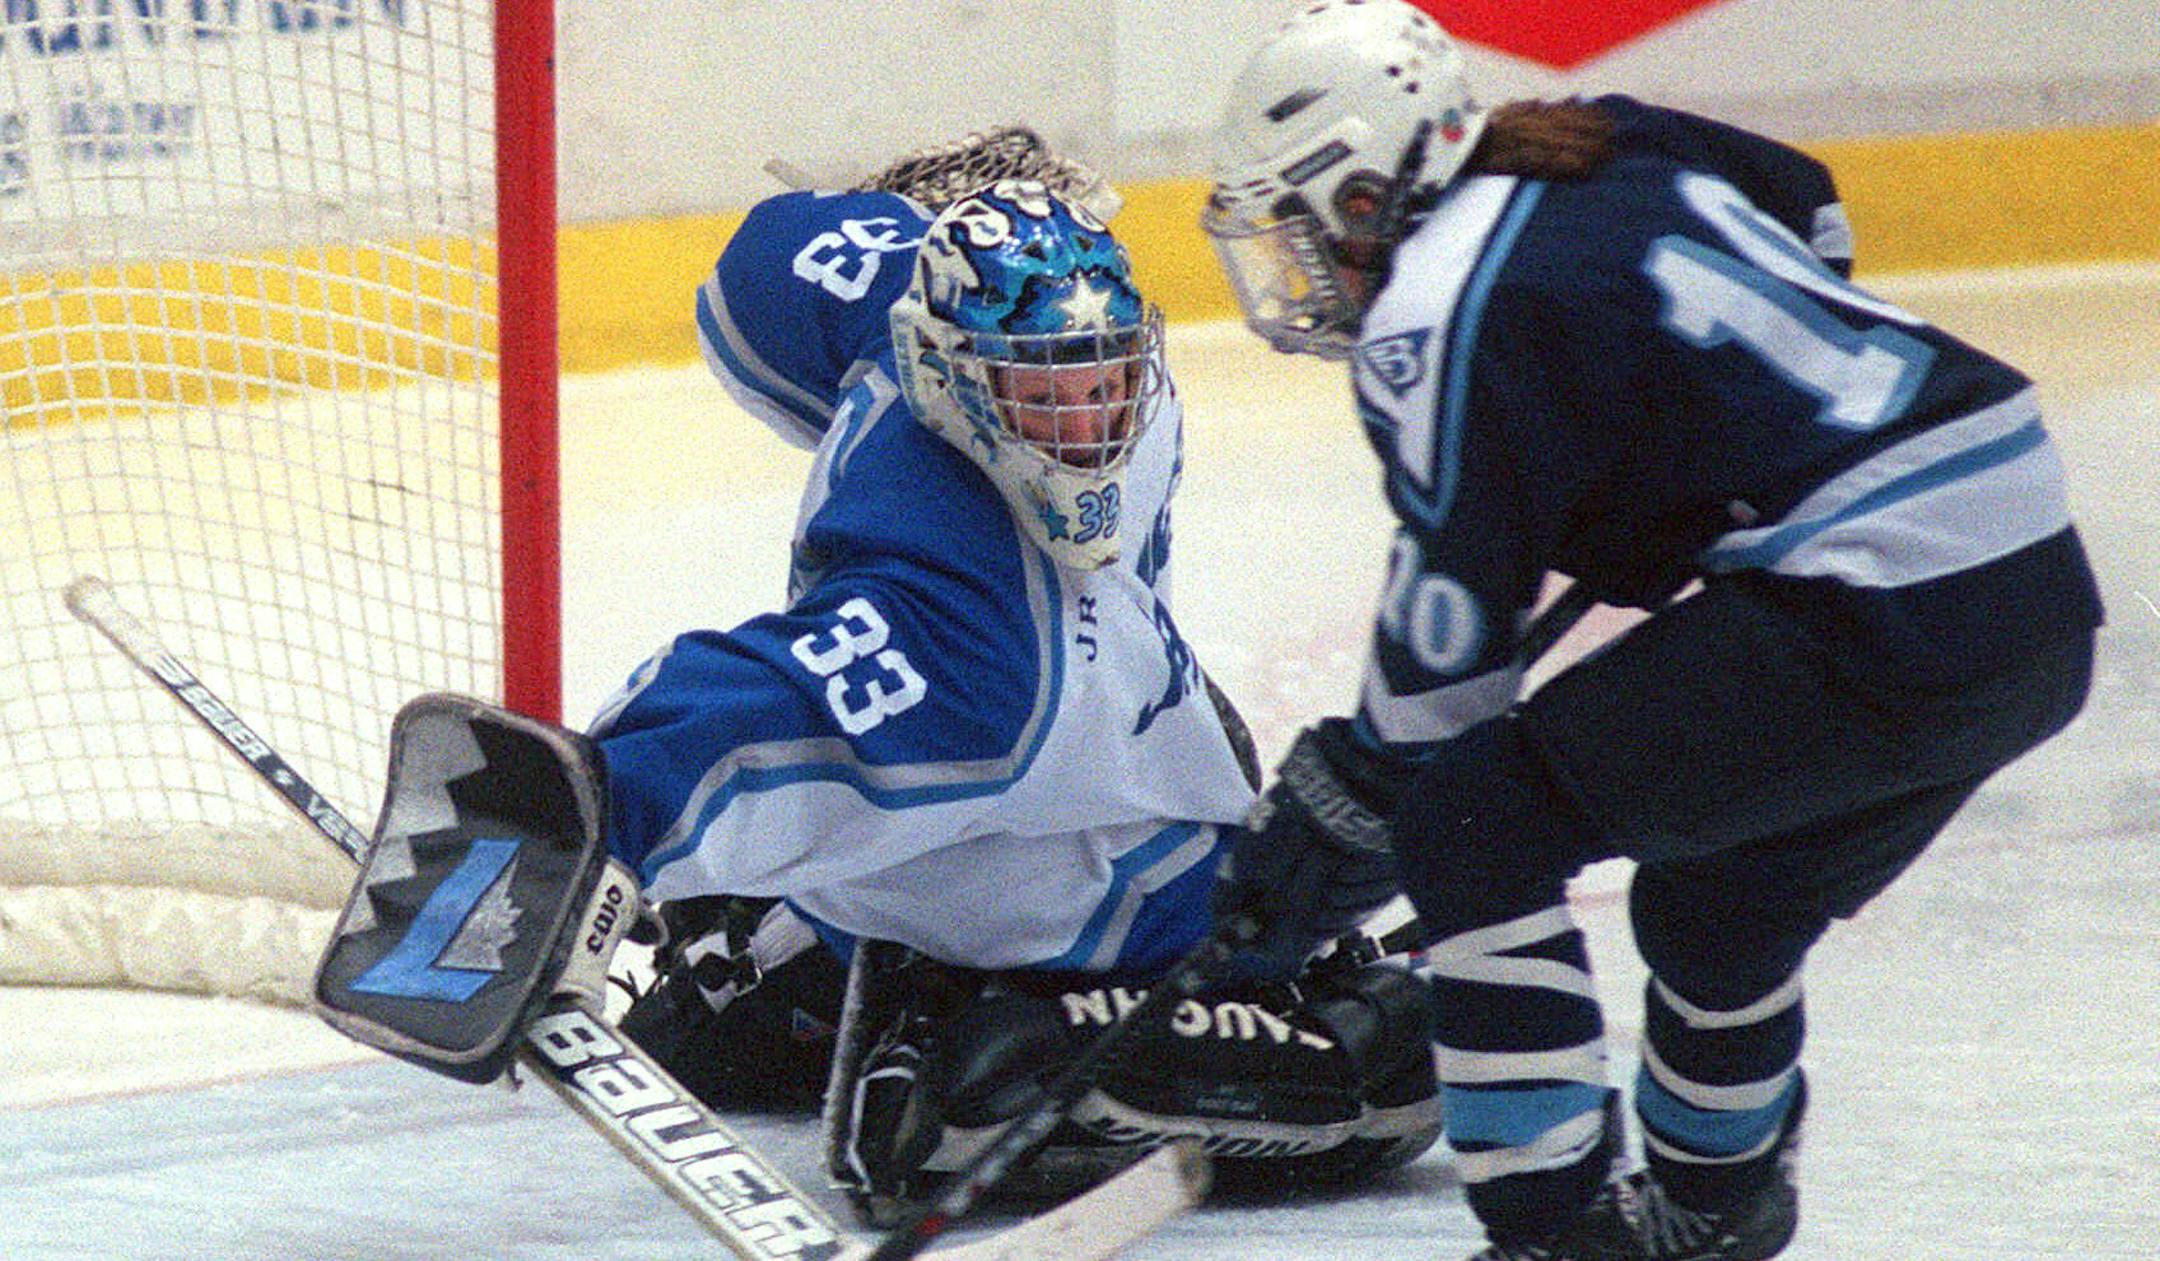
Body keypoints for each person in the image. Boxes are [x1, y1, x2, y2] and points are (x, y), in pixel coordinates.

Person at [1199, 4, 2103, 1260]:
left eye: (1306, 230)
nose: (1302, 272)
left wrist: (1346, 801)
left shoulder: (1434, 306)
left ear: (1363, 192)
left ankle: (1555, 1233)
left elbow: (1451, 634)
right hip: (2033, 589)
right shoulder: (1603, 138)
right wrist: (1715, 448)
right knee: (1721, 907)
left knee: (1469, 823)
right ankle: (1714, 1207)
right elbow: (1807, 201)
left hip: (1885, 600)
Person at [591, 132, 1441, 1223]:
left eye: (1102, 386)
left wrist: (600, 811)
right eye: (1046, 395)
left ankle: (1071, 1018)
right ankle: (944, 991)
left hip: (1108, 826)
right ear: (941, 360)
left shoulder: (991, 600)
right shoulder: (991, 505)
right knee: (702, 1045)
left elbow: (753, 288)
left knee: (954, 1091)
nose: (1084, 428)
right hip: (1036, 787)